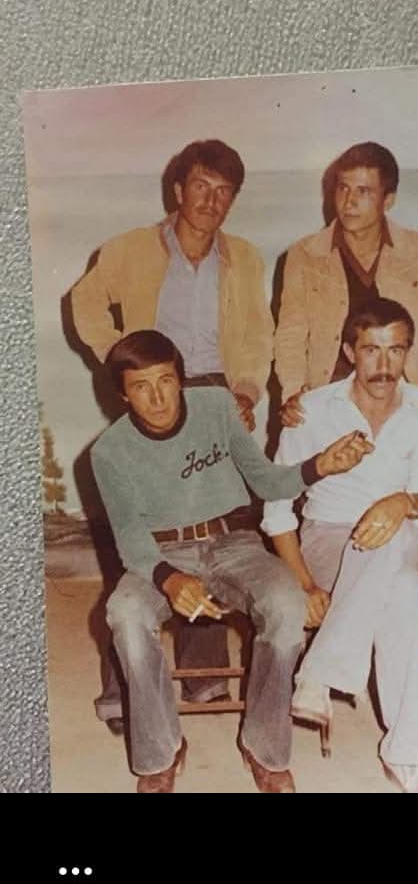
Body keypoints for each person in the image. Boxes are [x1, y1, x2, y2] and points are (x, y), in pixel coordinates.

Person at [90, 329, 372, 794]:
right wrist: (169, 578)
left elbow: (266, 481)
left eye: (166, 381)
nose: (158, 398)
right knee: (125, 612)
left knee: (286, 604)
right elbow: (130, 538)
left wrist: (320, 465)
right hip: (159, 554)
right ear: (122, 395)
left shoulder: (217, 407)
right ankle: (161, 753)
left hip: (234, 544)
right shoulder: (109, 452)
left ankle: (263, 747)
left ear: (181, 379)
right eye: (141, 386)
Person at [71, 138, 274, 723]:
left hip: (214, 396)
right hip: (155, 392)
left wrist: (246, 391)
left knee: (214, 530)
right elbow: (84, 301)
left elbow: (258, 334)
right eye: (201, 186)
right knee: (140, 531)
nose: (211, 201)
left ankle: (204, 675)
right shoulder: (132, 248)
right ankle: (123, 687)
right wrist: (124, 362)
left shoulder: (245, 258)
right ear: (178, 189)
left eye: (224, 192)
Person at [262, 298, 418, 793]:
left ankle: (321, 672)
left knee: (395, 533)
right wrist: (303, 583)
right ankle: (411, 755)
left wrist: (400, 502)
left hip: (399, 532)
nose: (384, 366)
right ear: (349, 351)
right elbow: (277, 510)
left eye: (396, 351)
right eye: (371, 350)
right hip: (327, 539)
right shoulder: (311, 411)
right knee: (404, 590)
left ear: (408, 352)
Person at [275, 141, 418, 426]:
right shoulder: (305, 255)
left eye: (363, 191)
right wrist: (293, 393)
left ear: (388, 200)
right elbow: (290, 334)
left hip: (403, 401)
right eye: (343, 188)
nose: (349, 202)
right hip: (328, 403)